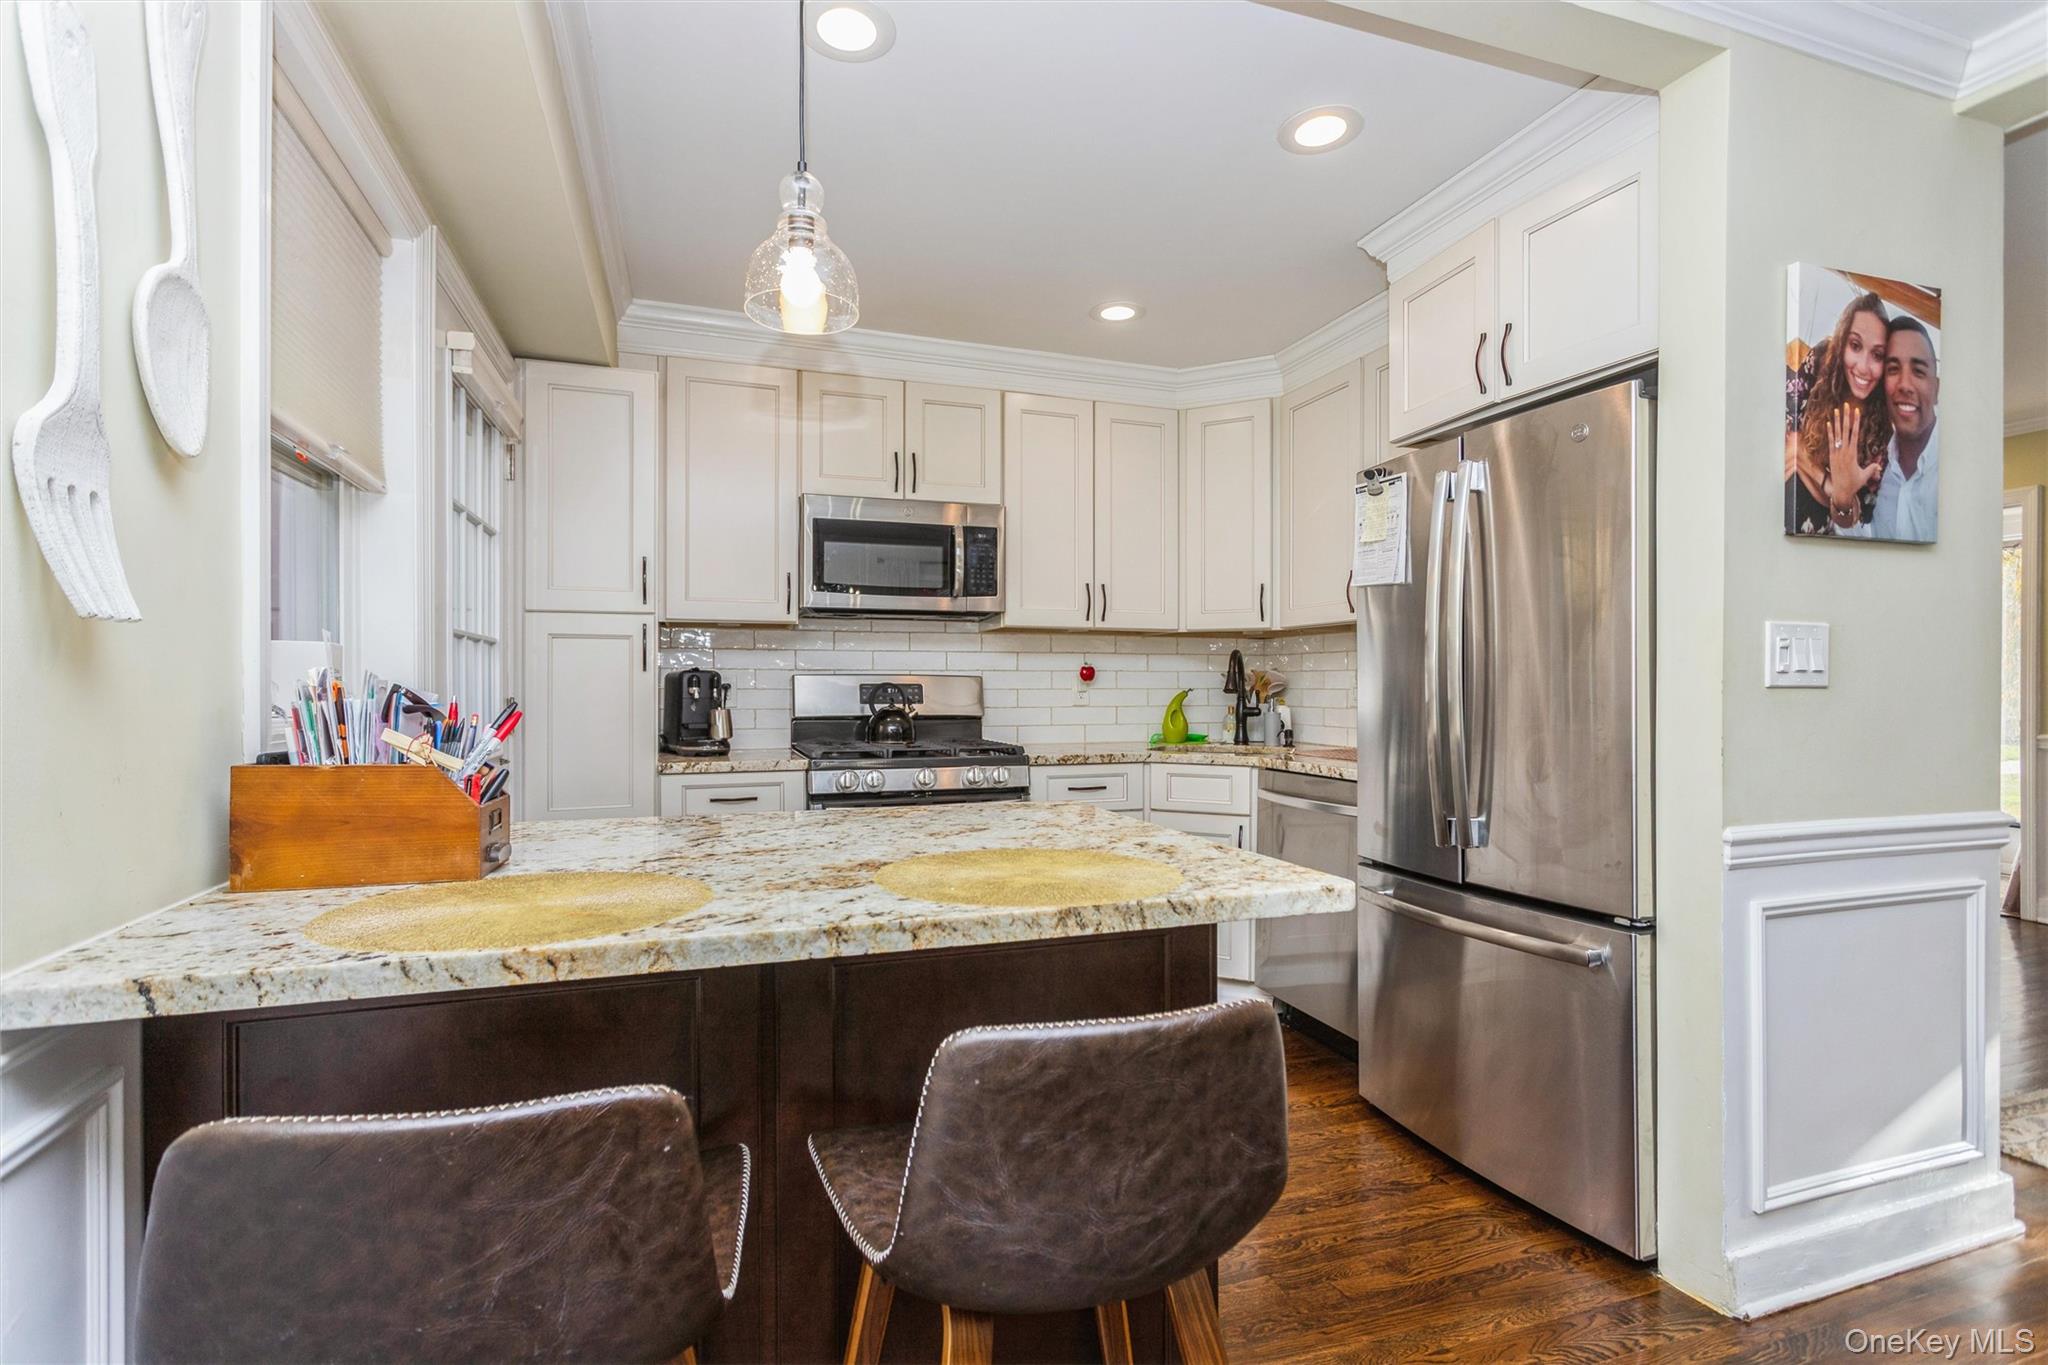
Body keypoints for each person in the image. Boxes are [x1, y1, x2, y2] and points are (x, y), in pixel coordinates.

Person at [1784, 291, 1893, 536]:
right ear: (1842, 342)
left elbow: (1855, 515)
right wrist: (1833, 488)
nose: (1864, 367)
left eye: (1877, 355)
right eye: (1855, 346)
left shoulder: (1885, 430)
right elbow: (1787, 435)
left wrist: (1839, 494)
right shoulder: (1822, 357)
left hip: (1815, 534)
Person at [1837, 315, 1939, 542]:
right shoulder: (1880, 470)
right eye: (1893, 369)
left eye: (1919, 371)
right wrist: (1843, 498)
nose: (1904, 384)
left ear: (1937, 388)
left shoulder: (1959, 471)